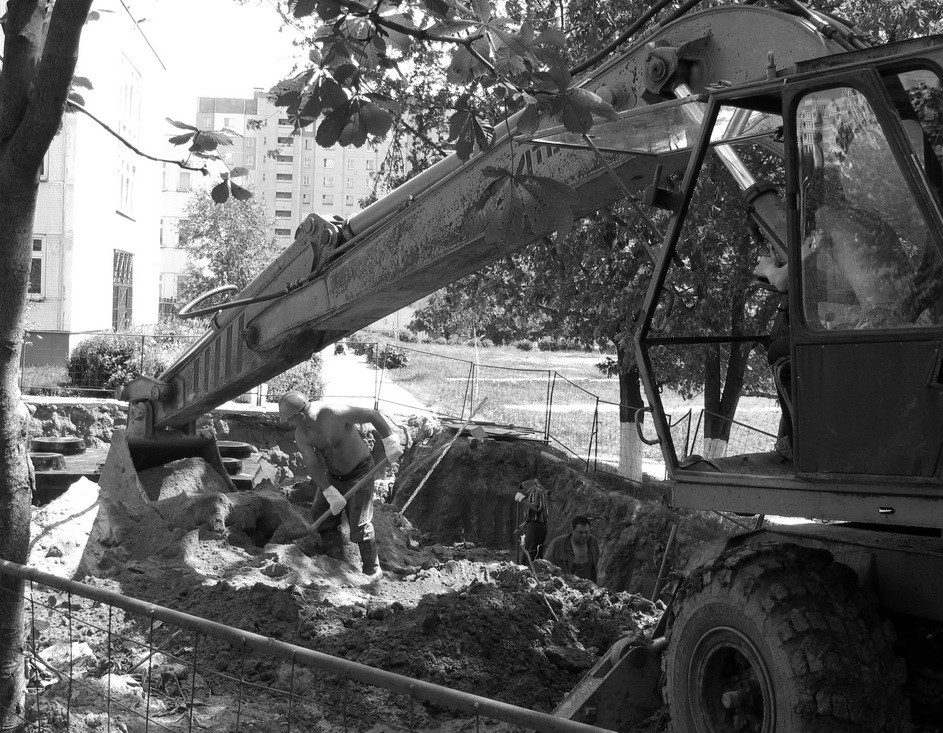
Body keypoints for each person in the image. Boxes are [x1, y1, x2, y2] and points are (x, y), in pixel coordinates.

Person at [278, 391, 404, 577]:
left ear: (301, 415)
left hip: (360, 472)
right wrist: (328, 490)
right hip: (333, 477)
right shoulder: (302, 434)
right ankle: (335, 562)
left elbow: (372, 415)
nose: (289, 423)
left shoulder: (333, 413)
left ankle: (372, 570)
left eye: (290, 419)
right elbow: (311, 463)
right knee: (321, 513)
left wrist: (390, 441)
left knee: (360, 524)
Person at [542, 515, 600, 583]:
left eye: (586, 532)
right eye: (580, 532)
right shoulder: (558, 544)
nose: (584, 536)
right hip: (566, 587)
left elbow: (595, 565)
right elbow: (545, 565)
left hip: (588, 587)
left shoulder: (593, 542)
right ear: (572, 530)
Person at [515, 478, 549, 564]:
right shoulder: (532, 493)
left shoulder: (535, 492)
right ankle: (535, 570)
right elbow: (532, 516)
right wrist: (522, 527)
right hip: (536, 525)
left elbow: (537, 508)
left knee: (531, 550)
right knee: (535, 551)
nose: (523, 491)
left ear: (526, 485)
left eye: (523, 488)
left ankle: (527, 571)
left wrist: (523, 500)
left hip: (536, 527)